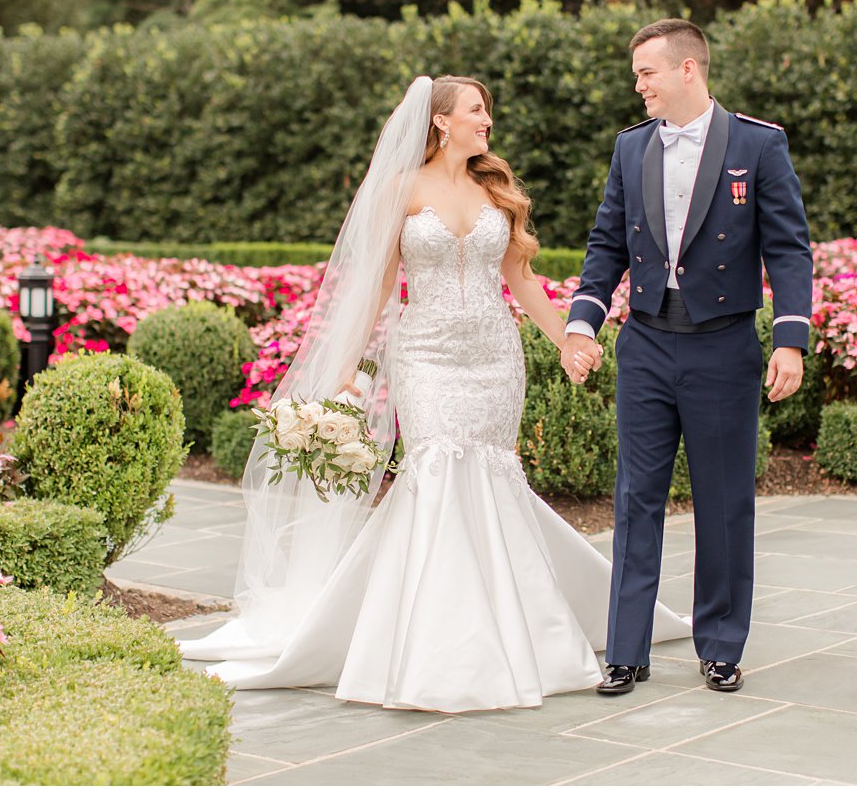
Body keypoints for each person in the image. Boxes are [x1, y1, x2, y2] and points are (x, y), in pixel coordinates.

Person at [180, 75, 688, 712]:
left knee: (492, 475)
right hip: (424, 355)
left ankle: (516, 624)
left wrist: (567, 341)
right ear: (441, 121)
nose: (488, 122)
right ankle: (436, 644)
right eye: (477, 111)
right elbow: (375, 286)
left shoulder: (494, 189)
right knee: (437, 468)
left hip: (494, 357)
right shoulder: (400, 189)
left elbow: (522, 280)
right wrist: (348, 368)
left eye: (487, 111)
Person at [561, 19, 813, 696]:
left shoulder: (759, 144)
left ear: (687, 71)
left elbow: (789, 247)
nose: (637, 84)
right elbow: (605, 242)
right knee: (635, 496)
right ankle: (626, 647)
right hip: (644, 341)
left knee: (723, 500)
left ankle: (722, 643)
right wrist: (582, 323)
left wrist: (789, 337)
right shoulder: (631, 148)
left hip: (724, 345)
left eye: (646, 71)